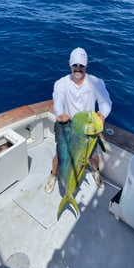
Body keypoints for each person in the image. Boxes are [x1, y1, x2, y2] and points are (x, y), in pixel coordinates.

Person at [45, 47, 112, 193]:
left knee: (93, 156)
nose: (78, 68)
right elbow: (58, 100)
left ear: (86, 64)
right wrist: (60, 113)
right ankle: (53, 175)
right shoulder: (61, 83)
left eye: (81, 65)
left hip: (88, 129)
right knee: (59, 156)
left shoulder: (96, 82)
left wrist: (102, 115)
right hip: (67, 126)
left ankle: (96, 172)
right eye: (75, 65)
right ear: (69, 63)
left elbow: (105, 102)